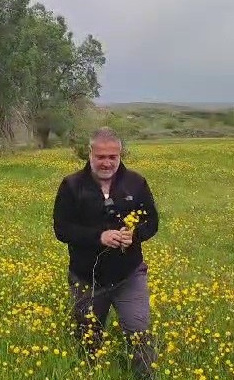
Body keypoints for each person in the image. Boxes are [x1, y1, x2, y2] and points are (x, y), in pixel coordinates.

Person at [52, 126, 159, 379]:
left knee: (139, 331)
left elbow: (152, 222)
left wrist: (135, 235)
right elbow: (62, 229)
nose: (107, 162)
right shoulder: (71, 185)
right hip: (86, 278)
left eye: (113, 157)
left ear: (120, 155)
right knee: (87, 338)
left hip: (128, 275)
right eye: (101, 156)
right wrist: (99, 237)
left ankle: (145, 376)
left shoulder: (136, 182)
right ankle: (90, 374)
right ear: (90, 154)